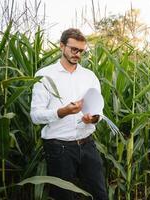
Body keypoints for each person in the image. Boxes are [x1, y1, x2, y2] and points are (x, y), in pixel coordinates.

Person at [30, 28, 108, 200]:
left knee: (100, 194)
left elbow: (98, 111)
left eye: (81, 51)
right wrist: (62, 112)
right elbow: (35, 116)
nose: (77, 54)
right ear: (61, 46)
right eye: (74, 49)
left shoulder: (90, 76)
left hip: (87, 145)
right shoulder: (44, 76)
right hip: (59, 148)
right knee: (64, 196)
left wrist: (93, 119)